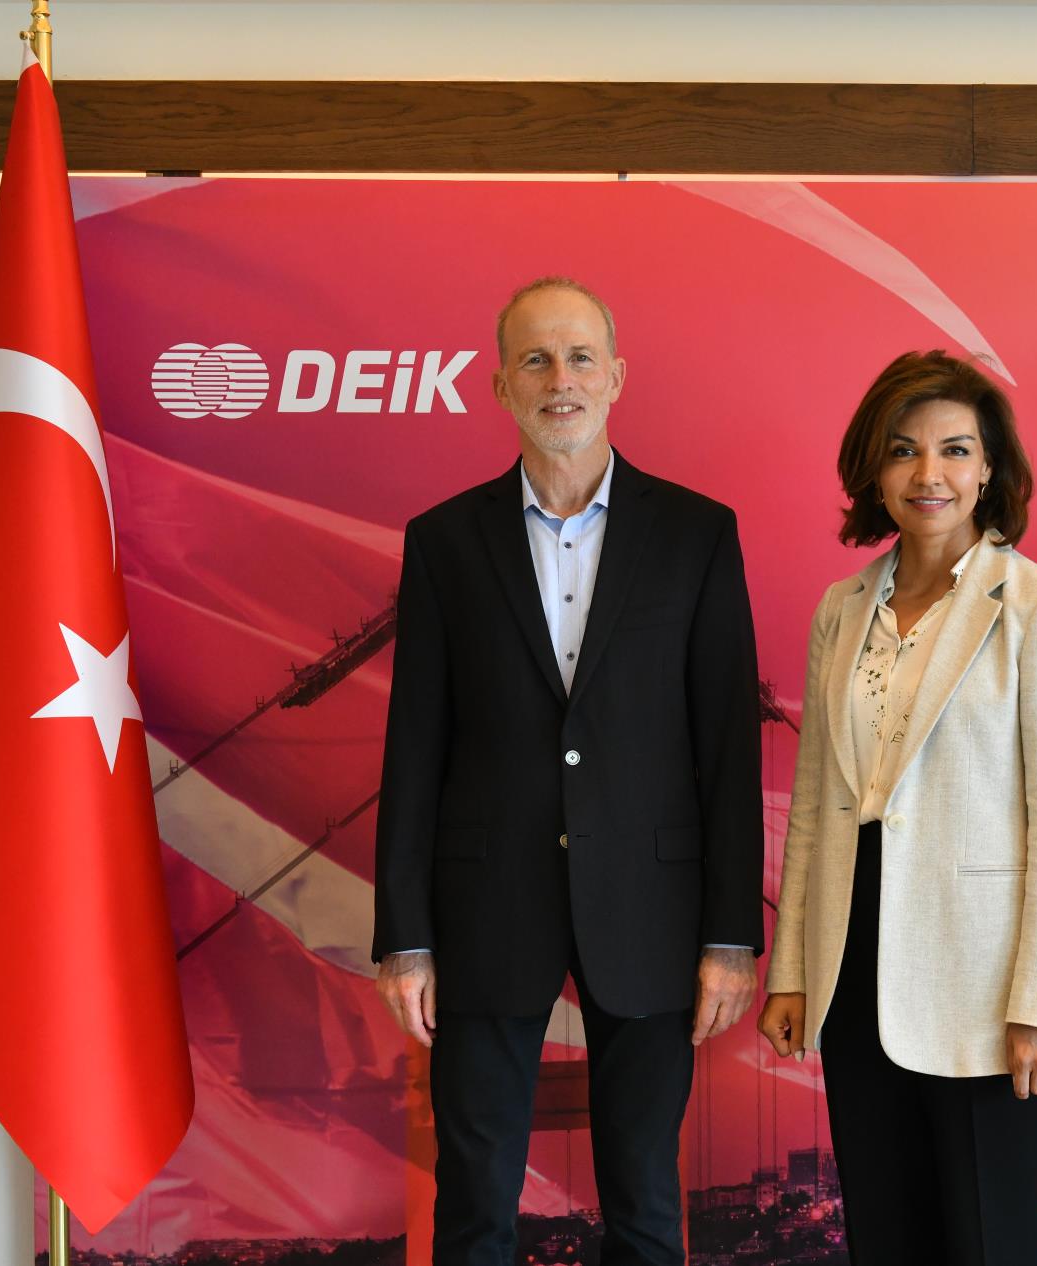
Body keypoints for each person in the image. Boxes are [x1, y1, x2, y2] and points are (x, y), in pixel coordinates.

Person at [371, 276, 764, 1266]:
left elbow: (727, 746)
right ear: (500, 384)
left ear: (616, 377)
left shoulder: (698, 534)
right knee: (474, 1207)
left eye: (581, 357)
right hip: (485, 908)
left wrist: (730, 934)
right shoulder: (442, 542)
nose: (561, 380)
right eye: (536, 360)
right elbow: (414, 748)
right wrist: (405, 937)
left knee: (646, 1206)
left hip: (653, 908)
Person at [758, 350, 1037, 1263]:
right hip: (853, 967)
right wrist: (793, 970)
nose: (928, 474)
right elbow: (816, 805)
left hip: (982, 985)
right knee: (886, 1239)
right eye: (903, 450)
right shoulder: (841, 609)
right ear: (875, 470)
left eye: (954, 450)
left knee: (990, 1244)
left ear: (989, 469)